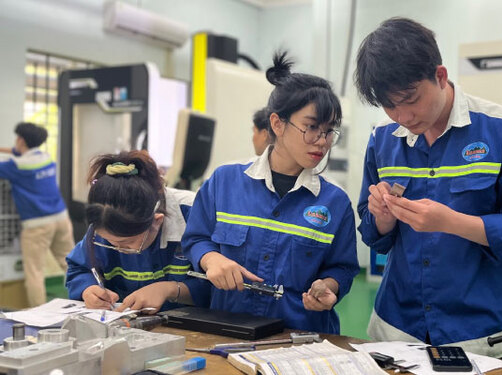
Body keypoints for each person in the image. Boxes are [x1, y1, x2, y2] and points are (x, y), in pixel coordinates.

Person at [354, 17, 502, 356]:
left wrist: (451, 223)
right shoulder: (382, 139)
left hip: (480, 332)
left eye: (410, 98)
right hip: (398, 326)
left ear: (440, 76)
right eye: (389, 105)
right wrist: (382, 216)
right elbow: (372, 232)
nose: (402, 115)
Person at [182, 51, 359, 334]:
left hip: (300, 337)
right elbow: (195, 239)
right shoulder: (224, 181)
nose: (322, 142)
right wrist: (211, 259)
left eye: (329, 131)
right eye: (312, 127)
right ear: (277, 123)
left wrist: (328, 286)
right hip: (228, 329)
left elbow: (344, 268)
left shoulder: (334, 202)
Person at [65, 151, 210, 312]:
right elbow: (79, 268)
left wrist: (170, 289)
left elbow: (218, 288)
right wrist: (87, 289)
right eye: (109, 242)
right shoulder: (103, 222)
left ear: (157, 221)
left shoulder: (195, 215)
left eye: (126, 244)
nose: (118, 249)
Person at [0, 123, 74, 306]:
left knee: (35, 272)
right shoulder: (46, 158)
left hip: (37, 225)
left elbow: (13, 160)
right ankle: (87, 302)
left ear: (21, 140)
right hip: (61, 218)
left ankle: (39, 317)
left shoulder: (15, 166)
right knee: (71, 264)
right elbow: (20, 153)